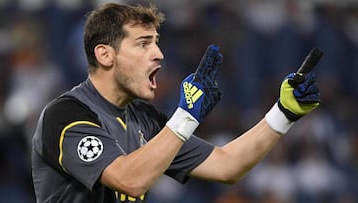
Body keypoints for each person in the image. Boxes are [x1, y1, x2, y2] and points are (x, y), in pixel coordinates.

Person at [31, 2, 320, 203]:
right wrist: (185, 116)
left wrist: (283, 113)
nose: (158, 54)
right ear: (106, 55)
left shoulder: (144, 119)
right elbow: (129, 180)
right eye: (143, 43)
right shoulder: (66, 115)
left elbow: (227, 166)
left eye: (156, 42)